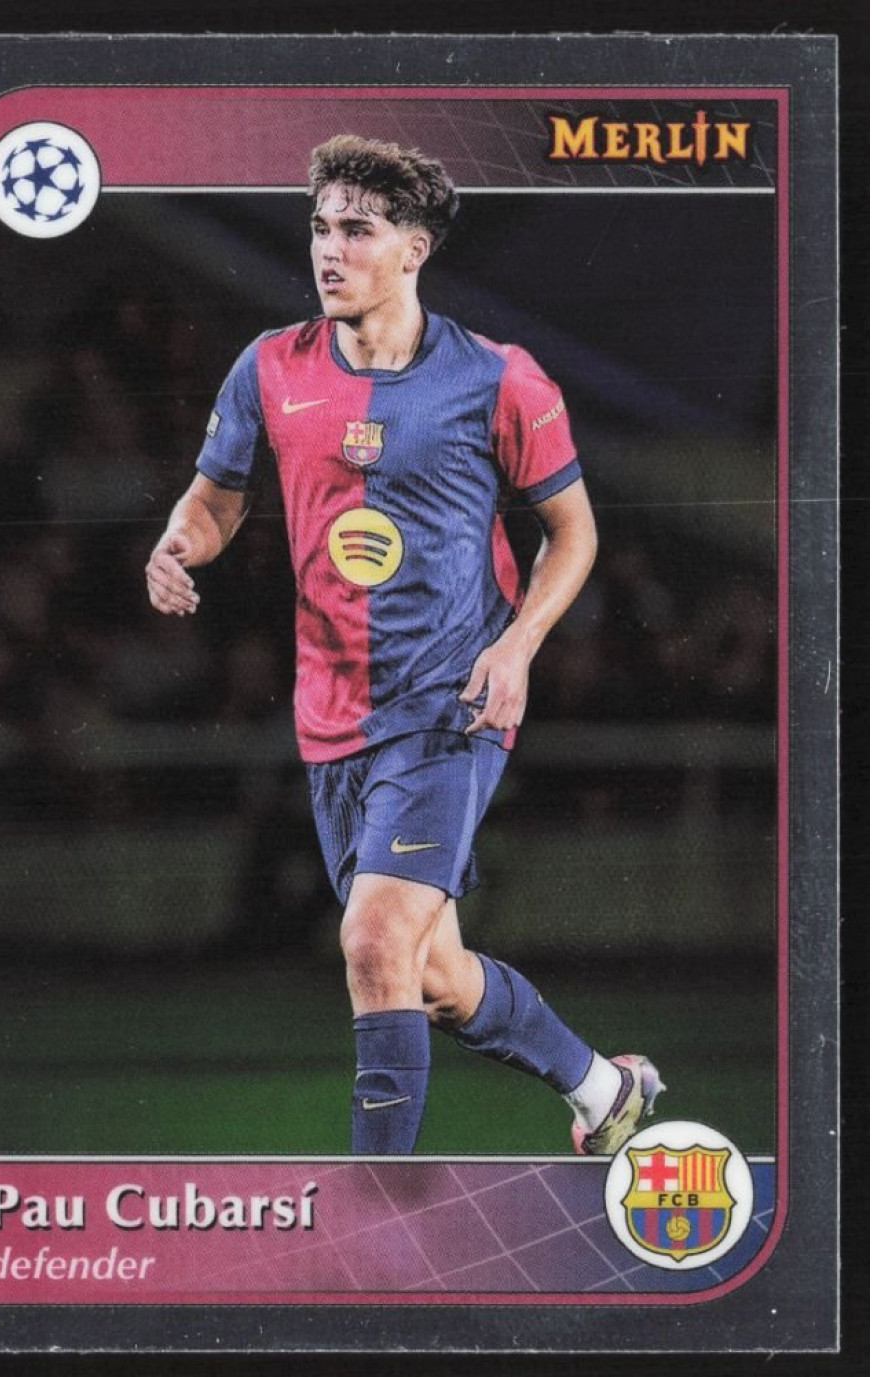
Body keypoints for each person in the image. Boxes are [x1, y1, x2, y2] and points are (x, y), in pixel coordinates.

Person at [145, 135, 663, 1156]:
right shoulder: (270, 367)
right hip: (334, 717)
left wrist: (517, 648)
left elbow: (573, 533)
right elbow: (215, 499)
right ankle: (604, 1089)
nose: (328, 250)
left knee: (374, 941)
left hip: (452, 705)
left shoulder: (498, 379)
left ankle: (375, 1213)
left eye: (357, 230)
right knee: (430, 975)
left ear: (414, 249)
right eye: (320, 228)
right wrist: (178, 544)